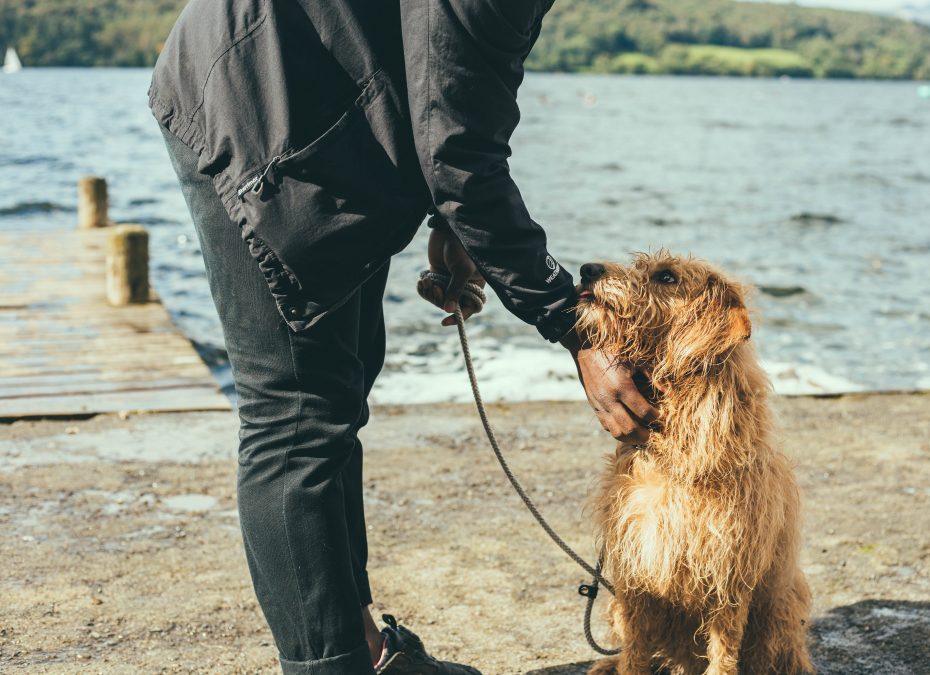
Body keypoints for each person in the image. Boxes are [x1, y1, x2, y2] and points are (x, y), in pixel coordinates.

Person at [150, 1, 658, 672]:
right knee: (296, 416)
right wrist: (573, 324)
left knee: (341, 390)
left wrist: (454, 222)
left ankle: (366, 648)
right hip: (259, 103)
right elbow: (455, 146)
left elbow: (466, 84)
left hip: (330, 112)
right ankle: (331, 665)